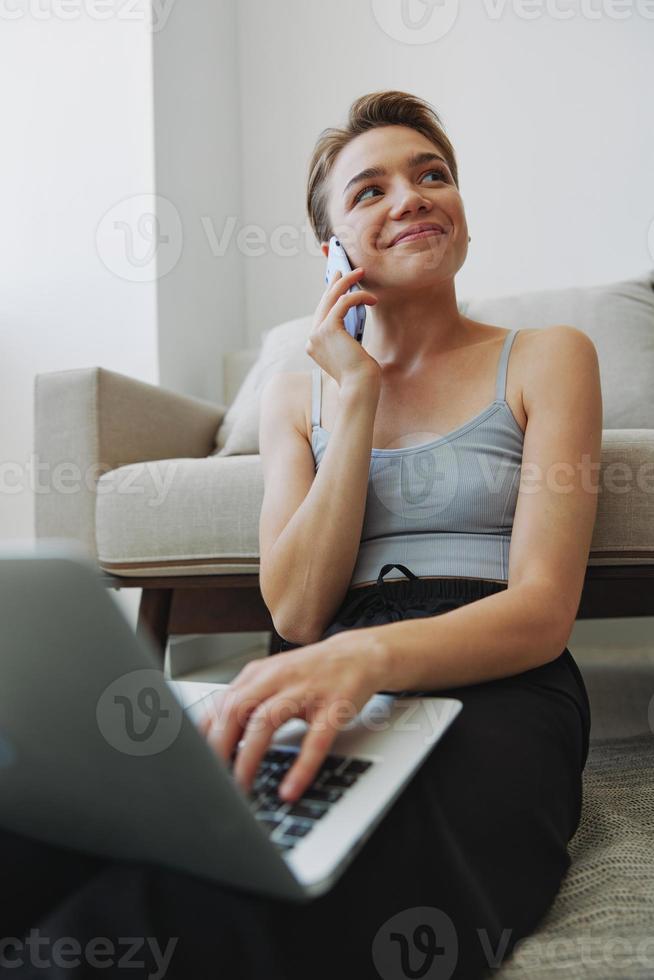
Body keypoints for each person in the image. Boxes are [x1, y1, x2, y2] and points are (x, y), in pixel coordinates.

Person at [1, 90, 602, 980]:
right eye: (370, 191)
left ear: (463, 213)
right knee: (51, 831)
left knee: (329, 867)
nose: (410, 196)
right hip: (324, 655)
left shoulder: (551, 355)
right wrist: (353, 400)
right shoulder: (299, 393)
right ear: (333, 253)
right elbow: (298, 608)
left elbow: (544, 611)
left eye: (432, 174)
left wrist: (367, 662)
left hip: (496, 672)